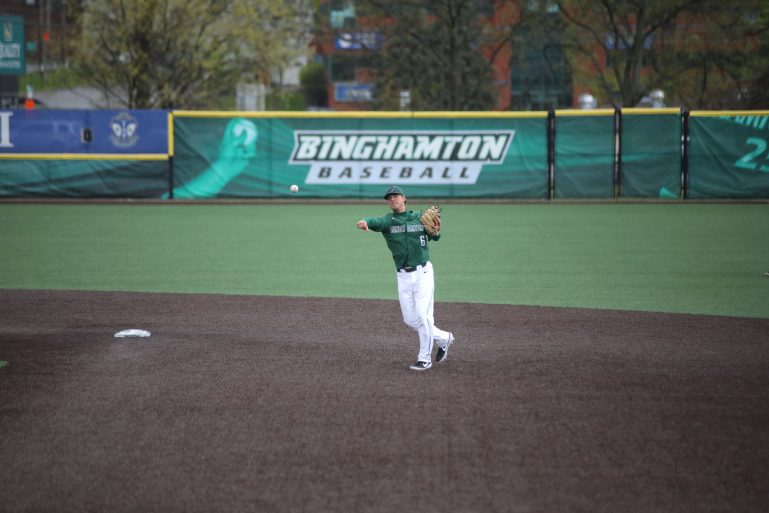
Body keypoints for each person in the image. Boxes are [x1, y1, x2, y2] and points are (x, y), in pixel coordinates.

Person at [356, 185, 455, 371]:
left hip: (423, 273)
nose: (392, 199)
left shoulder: (420, 217)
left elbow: (436, 237)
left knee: (424, 316)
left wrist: (436, 231)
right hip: (403, 276)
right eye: (389, 197)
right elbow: (373, 221)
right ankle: (444, 338)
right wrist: (364, 222)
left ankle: (424, 359)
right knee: (410, 321)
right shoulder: (388, 221)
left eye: (396, 196)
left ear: (404, 198)